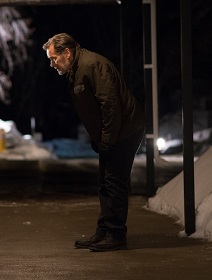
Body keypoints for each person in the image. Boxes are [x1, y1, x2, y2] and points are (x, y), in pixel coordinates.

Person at [42, 33, 146, 251]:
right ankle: (104, 231)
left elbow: (110, 105)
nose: (52, 64)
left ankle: (116, 234)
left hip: (125, 130)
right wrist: (99, 138)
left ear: (67, 53)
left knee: (114, 182)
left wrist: (107, 139)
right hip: (113, 132)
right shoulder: (77, 68)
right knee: (104, 182)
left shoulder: (92, 65)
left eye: (54, 58)